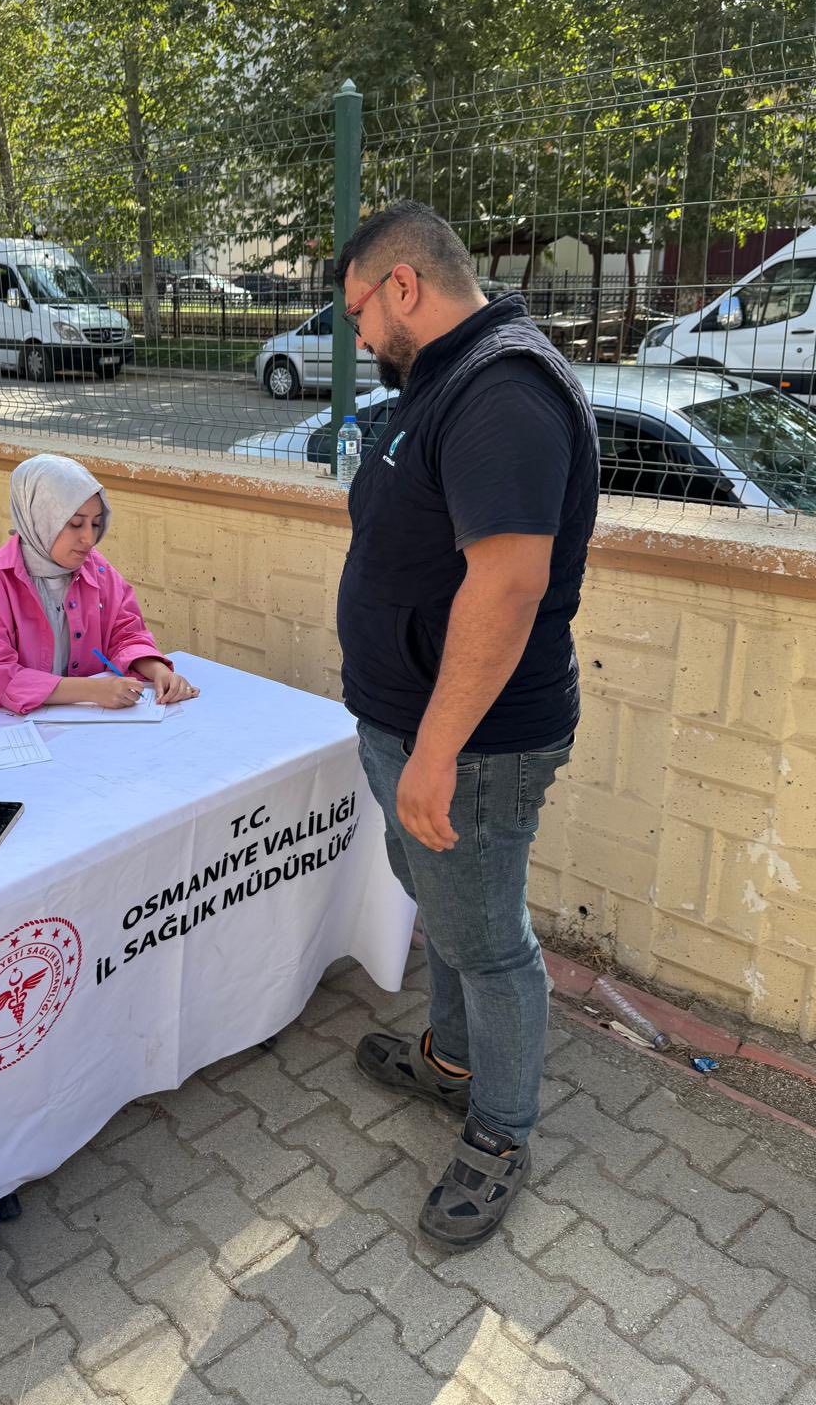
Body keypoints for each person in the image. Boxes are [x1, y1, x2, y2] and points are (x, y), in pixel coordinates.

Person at [335, 202, 599, 1250]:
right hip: (408, 719)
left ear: (403, 286)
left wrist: (437, 752)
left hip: (474, 744)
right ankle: (450, 1059)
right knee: (442, 905)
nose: (355, 337)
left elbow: (509, 582)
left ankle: (500, 1126)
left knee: (489, 943)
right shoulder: (437, 378)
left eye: (356, 310)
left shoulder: (501, 391)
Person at [0, 454, 198, 712]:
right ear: (38, 518)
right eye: (74, 524)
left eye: (95, 524)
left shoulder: (96, 569)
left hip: (79, 723)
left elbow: (126, 632)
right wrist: (93, 690)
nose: (89, 538)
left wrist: (158, 671)